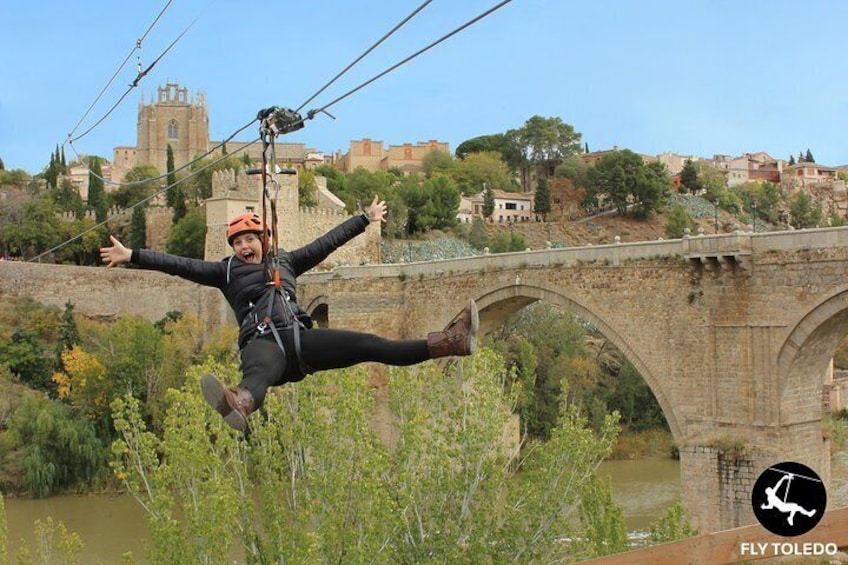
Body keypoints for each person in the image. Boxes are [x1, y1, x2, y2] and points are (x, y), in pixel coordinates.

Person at [100, 195, 478, 431]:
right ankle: (241, 402)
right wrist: (132, 255)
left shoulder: (287, 262)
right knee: (258, 372)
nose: (245, 246)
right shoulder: (225, 271)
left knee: (370, 345)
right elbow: (178, 264)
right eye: (238, 242)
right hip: (263, 343)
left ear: (263, 241)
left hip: (301, 339)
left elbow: (326, 243)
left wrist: (365, 219)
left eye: (250, 239)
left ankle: (450, 342)